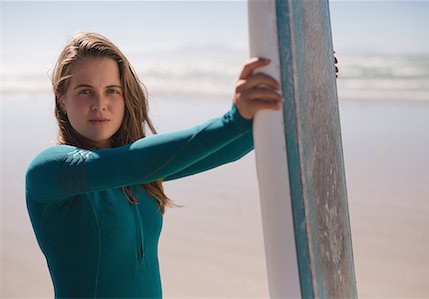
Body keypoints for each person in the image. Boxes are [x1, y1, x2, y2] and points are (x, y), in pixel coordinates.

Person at [25, 32, 284, 298]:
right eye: (85, 91)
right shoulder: (49, 171)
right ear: (61, 98)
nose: (100, 104)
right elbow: (135, 162)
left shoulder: (140, 174)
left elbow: (225, 151)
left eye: (112, 91)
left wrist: (290, 97)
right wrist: (234, 119)